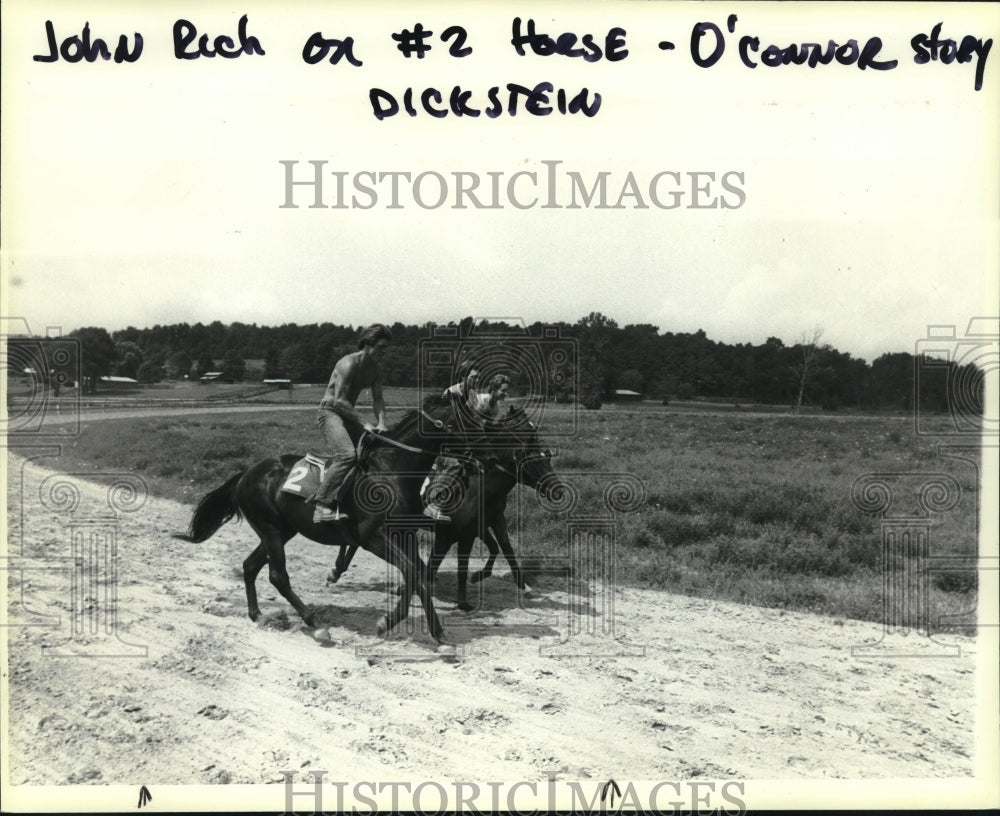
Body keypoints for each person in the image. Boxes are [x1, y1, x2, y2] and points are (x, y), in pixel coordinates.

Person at [309, 323, 391, 523]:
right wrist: (366, 423)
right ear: (368, 344)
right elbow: (339, 401)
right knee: (347, 455)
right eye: (381, 347)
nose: (384, 352)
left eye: (386, 348)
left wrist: (381, 423)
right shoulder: (348, 363)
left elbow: (378, 398)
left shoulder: (376, 369)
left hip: (348, 414)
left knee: (375, 450)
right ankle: (321, 505)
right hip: (330, 412)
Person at [423, 371, 510, 522]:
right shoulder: (480, 400)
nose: (506, 394)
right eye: (503, 390)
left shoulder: (496, 406)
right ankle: (435, 503)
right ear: (494, 389)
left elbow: (486, 430)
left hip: (471, 440)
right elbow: (469, 423)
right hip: (459, 438)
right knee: (457, 465)